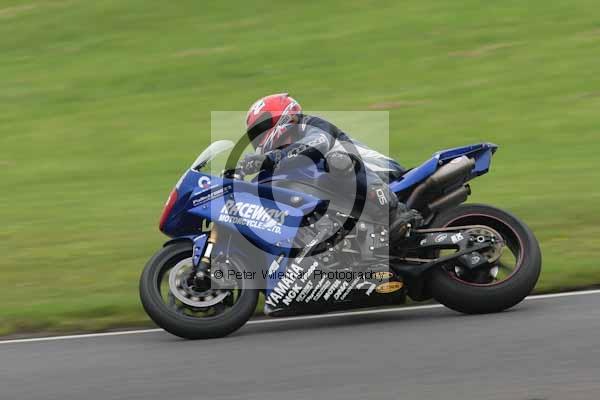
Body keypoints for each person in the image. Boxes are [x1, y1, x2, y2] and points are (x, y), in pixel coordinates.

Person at [240, 93, 422, 239]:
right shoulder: (282, 162)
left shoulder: (310, 125)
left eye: (260, 129)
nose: (257, 138)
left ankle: (395, 212)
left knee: (337, 161)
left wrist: (270, 158)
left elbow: (317, 144)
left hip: (384, 174)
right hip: (350, 198)